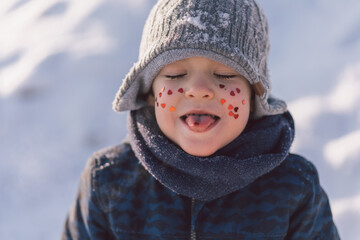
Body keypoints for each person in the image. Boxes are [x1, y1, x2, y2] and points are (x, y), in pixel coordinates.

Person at [62, 0, 340, 239]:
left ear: (255, 96)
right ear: (149, 94)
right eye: (174, 74)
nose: (198, 90)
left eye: (224, 75)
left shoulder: (292, 187)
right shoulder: (109, 180)